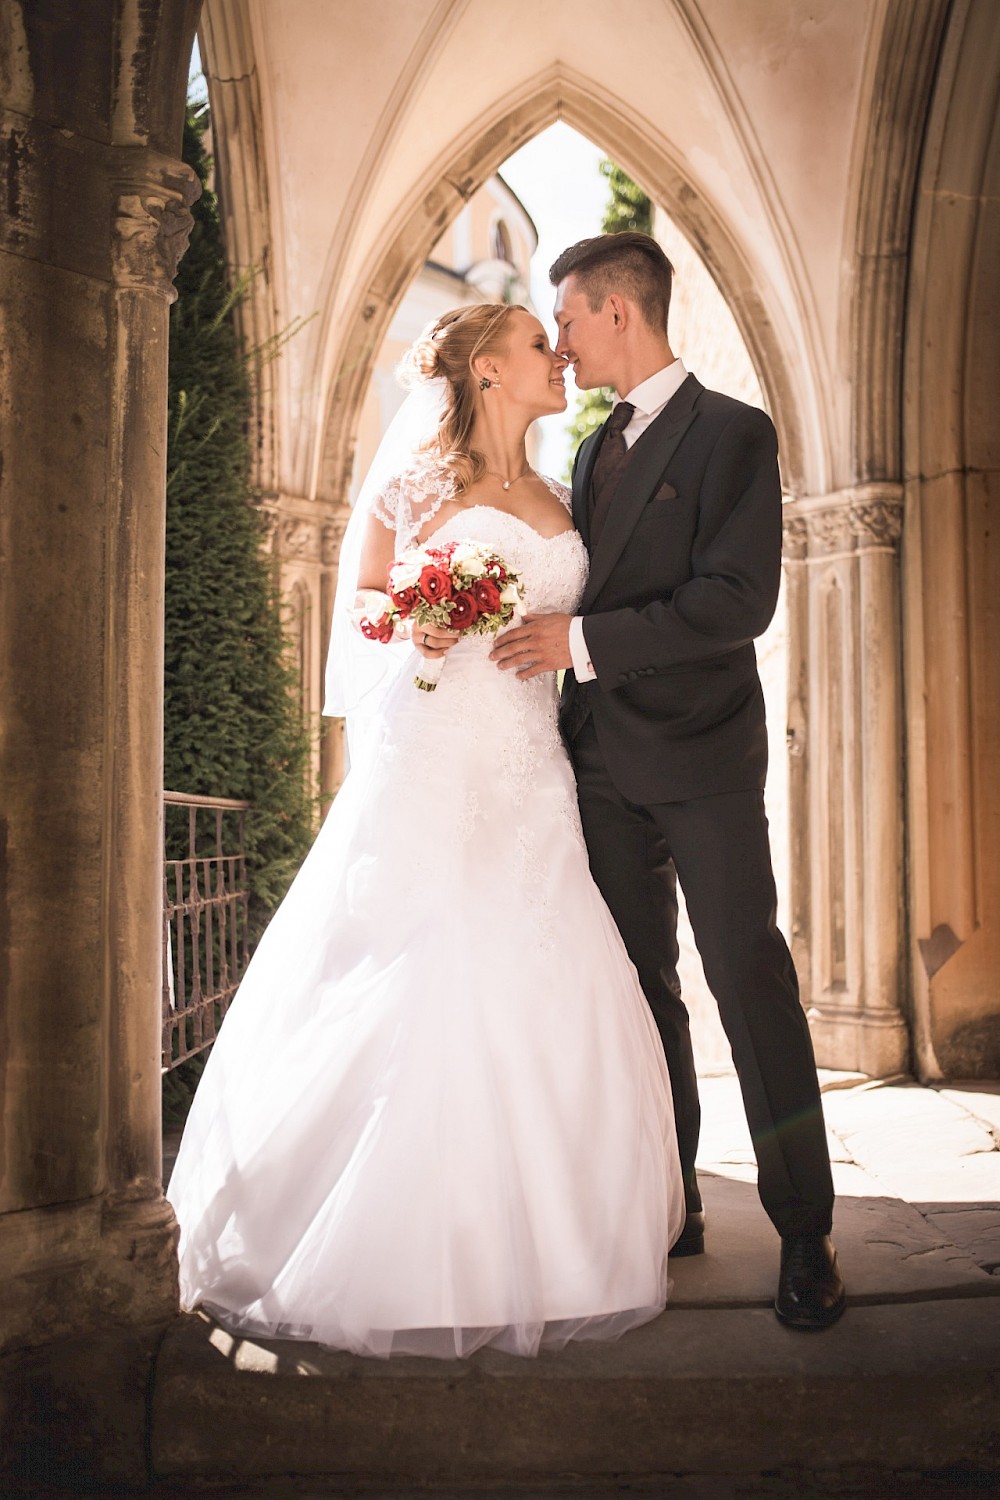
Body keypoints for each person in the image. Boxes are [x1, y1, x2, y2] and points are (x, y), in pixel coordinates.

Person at [166, 302, 685, 1360]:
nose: (560, 358)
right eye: (540, 345)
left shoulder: (566, 489)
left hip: (532, 764)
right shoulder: (412, 486)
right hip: (432, 748)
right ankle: (372, 1240)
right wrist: (419, 620)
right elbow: (358, 612)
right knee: (419, 954)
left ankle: (553, 1245)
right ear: (488, 370)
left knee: (538, 960)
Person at [491, 233, 845, 1331]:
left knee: (746, 981)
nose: (558, 342)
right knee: (640, 994)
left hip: (701, 757)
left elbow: (737, 601)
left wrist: (580, 644)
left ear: (617, 312)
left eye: (567, 320)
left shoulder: (736, 432)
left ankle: (804, 1236)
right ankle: (670, 1197)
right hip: (599, 765)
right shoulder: (593, 451)